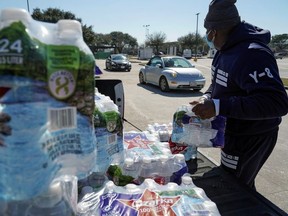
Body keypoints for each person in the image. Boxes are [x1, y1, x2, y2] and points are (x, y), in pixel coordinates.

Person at [190, 0, 288, 189]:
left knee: (234, 187)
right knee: (234, 179)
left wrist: (219, 106)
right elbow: (219, 84)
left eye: (208, 32)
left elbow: (276, 102)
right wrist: (208, 98)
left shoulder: (252, 54)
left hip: (250, 136)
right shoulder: (223, 51)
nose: (207, 37)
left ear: (214, 31)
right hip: (231, 132)